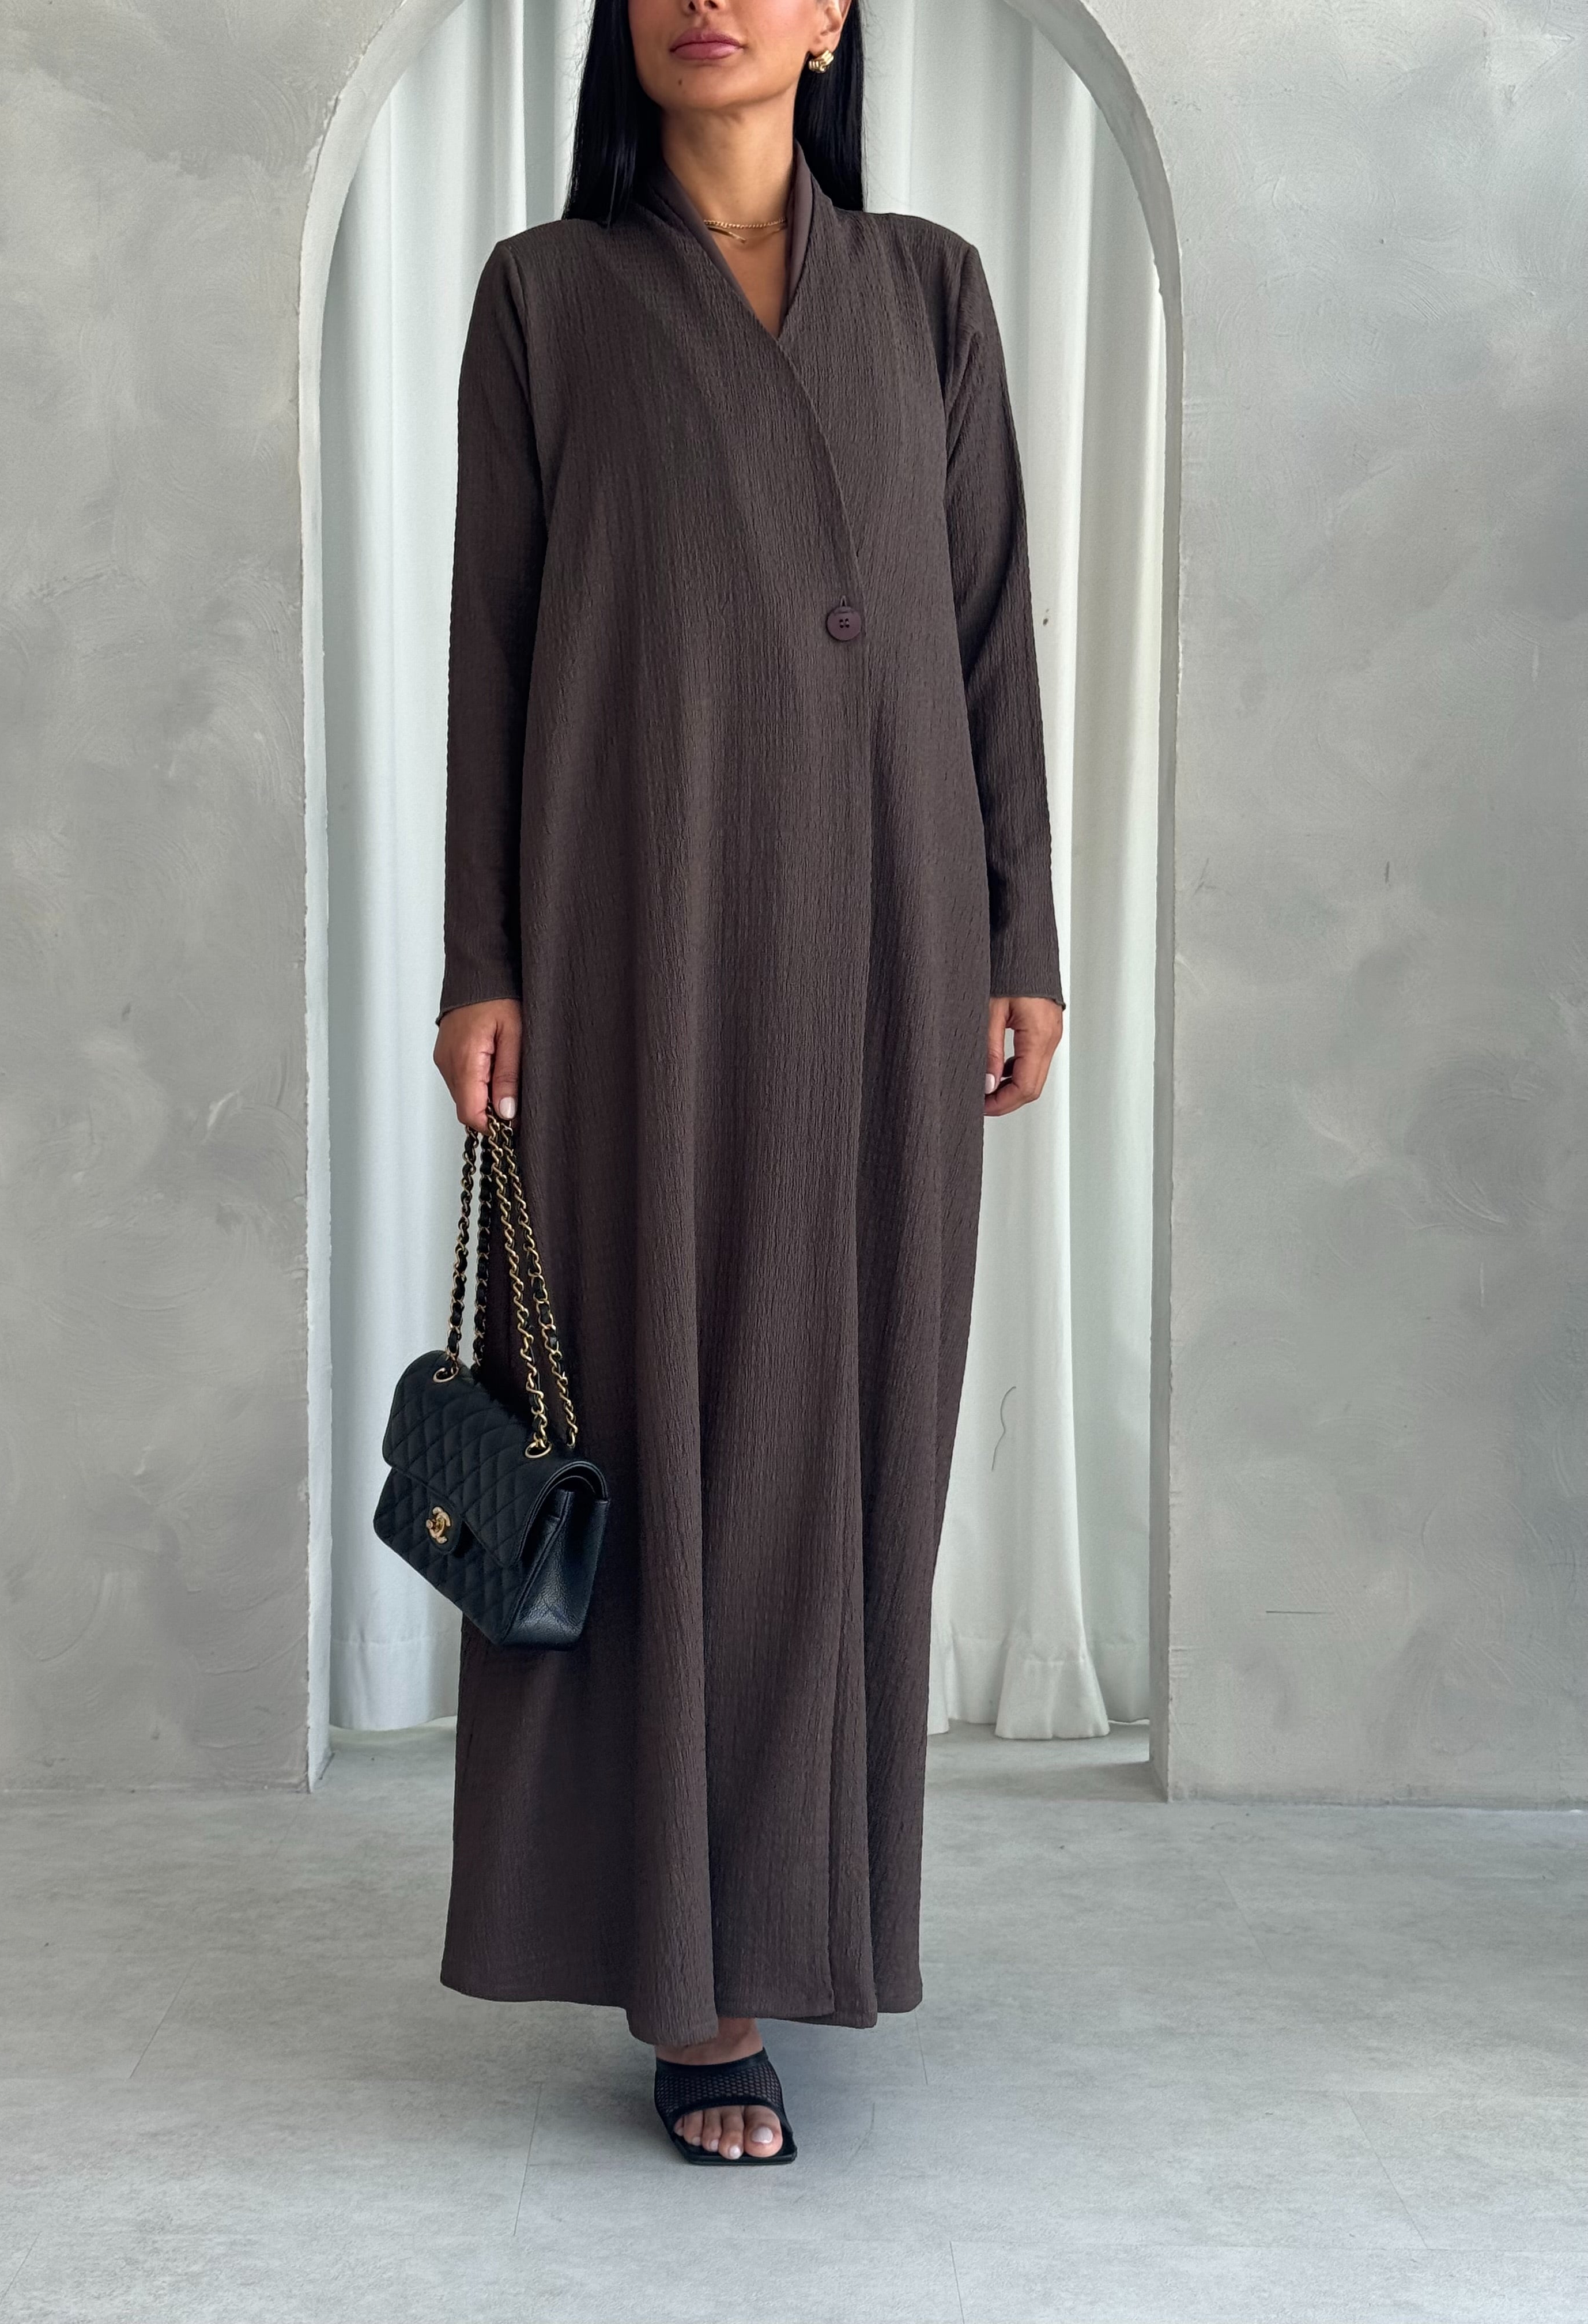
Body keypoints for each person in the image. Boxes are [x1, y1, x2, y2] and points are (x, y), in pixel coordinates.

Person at [429, 0, 1063, 2167]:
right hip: (635, 923)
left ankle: (805, 1915)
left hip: (892, 930)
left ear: (829, 22)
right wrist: (483, 956)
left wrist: (1023, 934)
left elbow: (990, 629)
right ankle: (686, 1983)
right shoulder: (546, 295)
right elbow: (491, 642)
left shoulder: (933, 291)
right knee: (650, 1410)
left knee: (848, 1417)